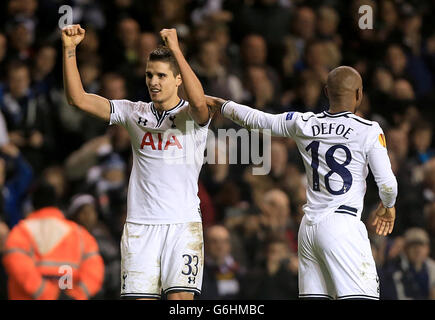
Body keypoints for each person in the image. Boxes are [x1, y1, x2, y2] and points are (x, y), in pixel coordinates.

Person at [206, 66, 398, 300]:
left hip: (308, 229)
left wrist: (223, 105)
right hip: (342, 224)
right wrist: (388, 206)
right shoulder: (368, 130)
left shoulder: (303, 122)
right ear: (359, 94)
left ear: (326, 92)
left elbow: (259, 120)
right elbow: (387, 184)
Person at [61, 25, 211, 300]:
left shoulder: (191, 117)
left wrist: (176, 49)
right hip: (140, 227)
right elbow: (77, 99)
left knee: (181, 303)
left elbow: (200, 103)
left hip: (182, 225)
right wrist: (70, 49)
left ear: (178, 79)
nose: (153, 81)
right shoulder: (133, 112)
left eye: (162, 76)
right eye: (149, 75)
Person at [2, 182, 104, 300]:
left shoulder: (20, 232)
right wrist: (77, 295)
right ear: (56, 204)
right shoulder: (80, 234)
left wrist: (49, 294)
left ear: (33, 205)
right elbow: (95, 271)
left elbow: (18, 267)